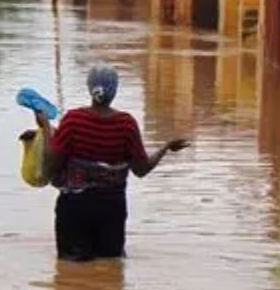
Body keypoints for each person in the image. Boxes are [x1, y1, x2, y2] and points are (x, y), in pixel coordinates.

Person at [35, 65, 189, 262]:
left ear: (90, 88)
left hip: (75, 207)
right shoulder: (126, 124)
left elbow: (50, 163)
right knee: (110, 270)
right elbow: (141, 170)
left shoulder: (73, 120)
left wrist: (46, 127)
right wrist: (165, 148)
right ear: (115, 91)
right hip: (112, 209)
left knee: (72, 272)